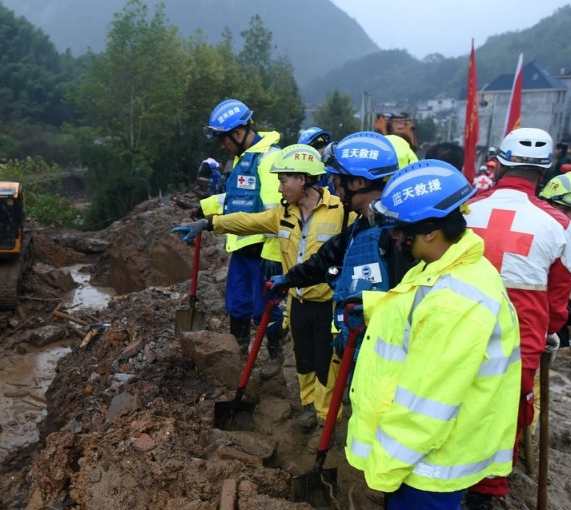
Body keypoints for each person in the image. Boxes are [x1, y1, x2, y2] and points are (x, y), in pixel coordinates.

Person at [346, 159, 521, 510]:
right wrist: (377, 307)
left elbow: (425, 405)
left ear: (428, 233)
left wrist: (385, 470)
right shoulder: (456, 268)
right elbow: (415, 310)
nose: (397, 239)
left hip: (427, 457)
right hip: (447, 451)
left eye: (403, 231)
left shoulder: (454, 302)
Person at [172, 144, 347, 426]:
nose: (279, 187)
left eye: (283, 180)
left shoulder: (341, 212)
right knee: (303, 362)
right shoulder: (283, 214)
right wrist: (208, 224)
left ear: (302, 179)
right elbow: (246, 221)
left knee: (327, 365)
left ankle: (327, 421)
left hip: (329, 304)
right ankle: (307, 407)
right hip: (298, 301)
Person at [463, 127, 571, 510]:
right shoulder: (559, 223)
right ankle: (485, 493)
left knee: (454, 393)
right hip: (522, 330)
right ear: (542, 174)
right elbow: (559, 296)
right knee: (507, 409)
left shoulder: (467, 207)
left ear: (499, 165)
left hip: (460, 318)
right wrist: (552, 332)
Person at [267, 131, 402, 429]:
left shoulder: (398, 235)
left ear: (358, 182)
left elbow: (408, 298)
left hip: (392, 355)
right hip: (364, 343)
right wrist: (289, 279)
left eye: (339, 183)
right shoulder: (359, 227)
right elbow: (323, 260)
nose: (335, 190)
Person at [194, 99, 284, 356]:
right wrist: (206, 206)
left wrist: (274, 255)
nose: (222, 146)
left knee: (264, 308)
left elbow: (275, 213)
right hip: (242, 247)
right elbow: (237, 199)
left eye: (224, 139)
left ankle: (276, 356)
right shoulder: (242, 159)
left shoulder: (269, 159)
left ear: (238, 133)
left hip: (264, 252)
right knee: (237, 305)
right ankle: (238, 357)